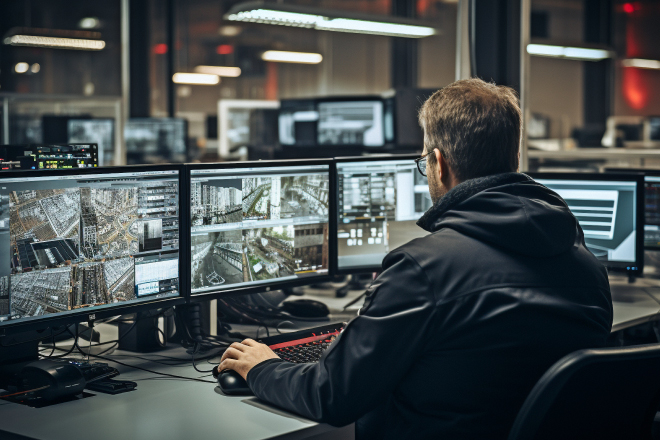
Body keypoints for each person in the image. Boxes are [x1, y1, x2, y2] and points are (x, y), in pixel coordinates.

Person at [218, 78, 613, 439]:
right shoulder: (587, 266)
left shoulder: (422, 267)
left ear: (439, 164)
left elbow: (332, 396)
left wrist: (263, 367)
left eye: (423, 158)